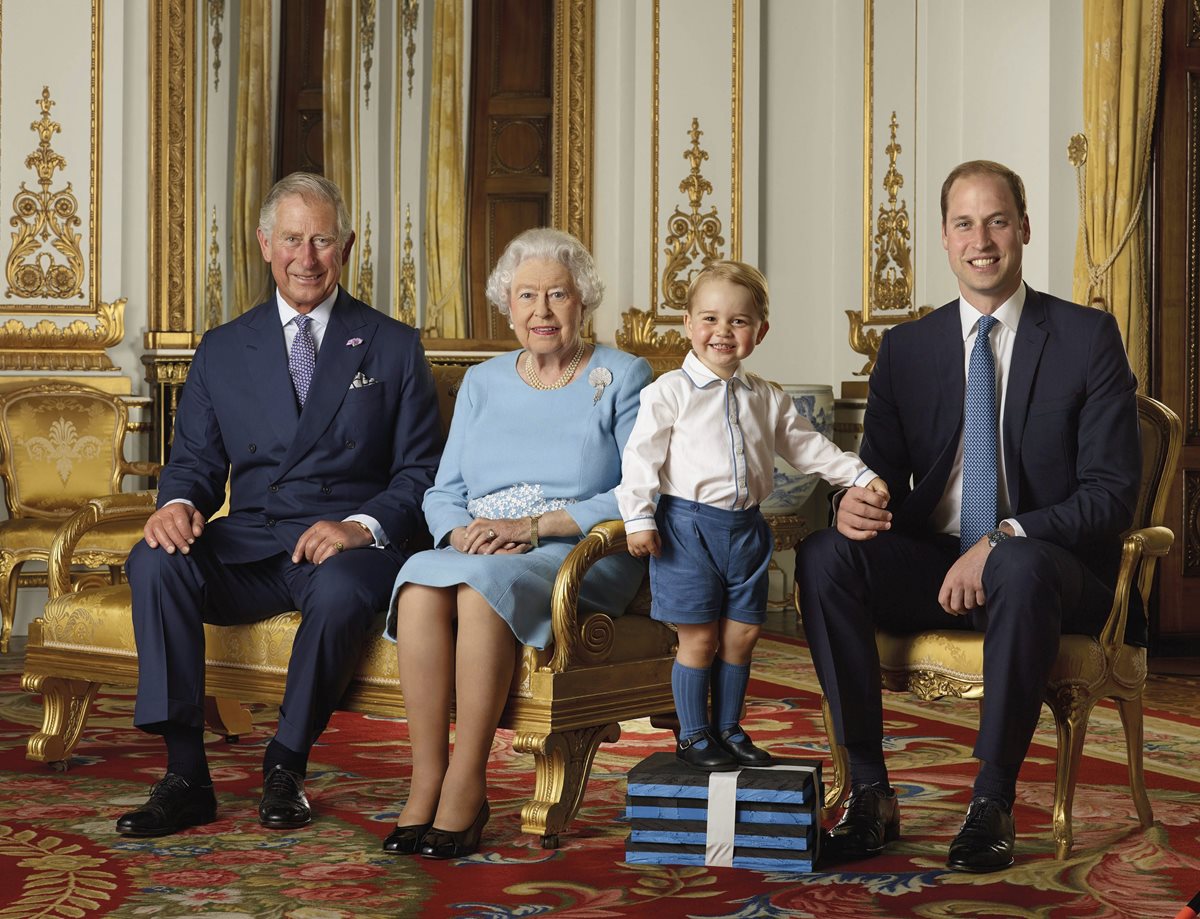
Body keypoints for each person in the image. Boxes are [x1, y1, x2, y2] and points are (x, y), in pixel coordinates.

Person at [796, 160, 1142, 872]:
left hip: (1051, 569)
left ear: (1024, 229)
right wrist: (851, 503)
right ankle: (869, 792)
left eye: (996, 221)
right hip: (937, 562)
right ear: (945, 238)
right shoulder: (907, 348)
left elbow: (1110, 494)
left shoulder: (1086, 337)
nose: (981, 240)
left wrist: (1005, 536)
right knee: (826, 553)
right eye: (964, 224)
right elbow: (878, 477)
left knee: (1017, 563)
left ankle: (992, 801)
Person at [116, 173, 442, 838]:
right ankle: (186, 774)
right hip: (255, 539)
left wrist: (360, 527)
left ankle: (285, 765)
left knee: (343, 588)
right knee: (155, 559)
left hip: (344, 547)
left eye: (321, 240)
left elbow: (422, 473)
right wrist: (176, 504)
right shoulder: (223, 347)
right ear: (265, 244)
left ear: (346, 246)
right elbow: (195, 465)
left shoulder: (393, 344)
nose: (306, 257)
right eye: (292, 239)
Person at [382, 227, 652, 859]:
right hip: (481, 546)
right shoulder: (482, 381)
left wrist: (534, 528)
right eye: (527, 295)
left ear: (582, 301)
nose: (542, 311)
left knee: (479, 590)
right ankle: (426, 779)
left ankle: (466, 782)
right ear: (508, 304)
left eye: (558, 294)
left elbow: (638, 491)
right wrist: (459, 532)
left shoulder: (622, 375)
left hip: (576, 552)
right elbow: (443, 490)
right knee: (419, 583)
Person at [616, 260, 888, 772]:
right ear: (688, 325)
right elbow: (640, 459)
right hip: (687, 530)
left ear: (760, 332)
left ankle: (728, 727)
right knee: (699, 637)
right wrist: (638, 519)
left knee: (741, 636)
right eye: (710, 319)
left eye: (738, 321)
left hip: (746, 531)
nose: (723, 331)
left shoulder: (765, 396)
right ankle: (693, 735)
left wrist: (858, 475)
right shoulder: (667, 392)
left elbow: (807, 447)